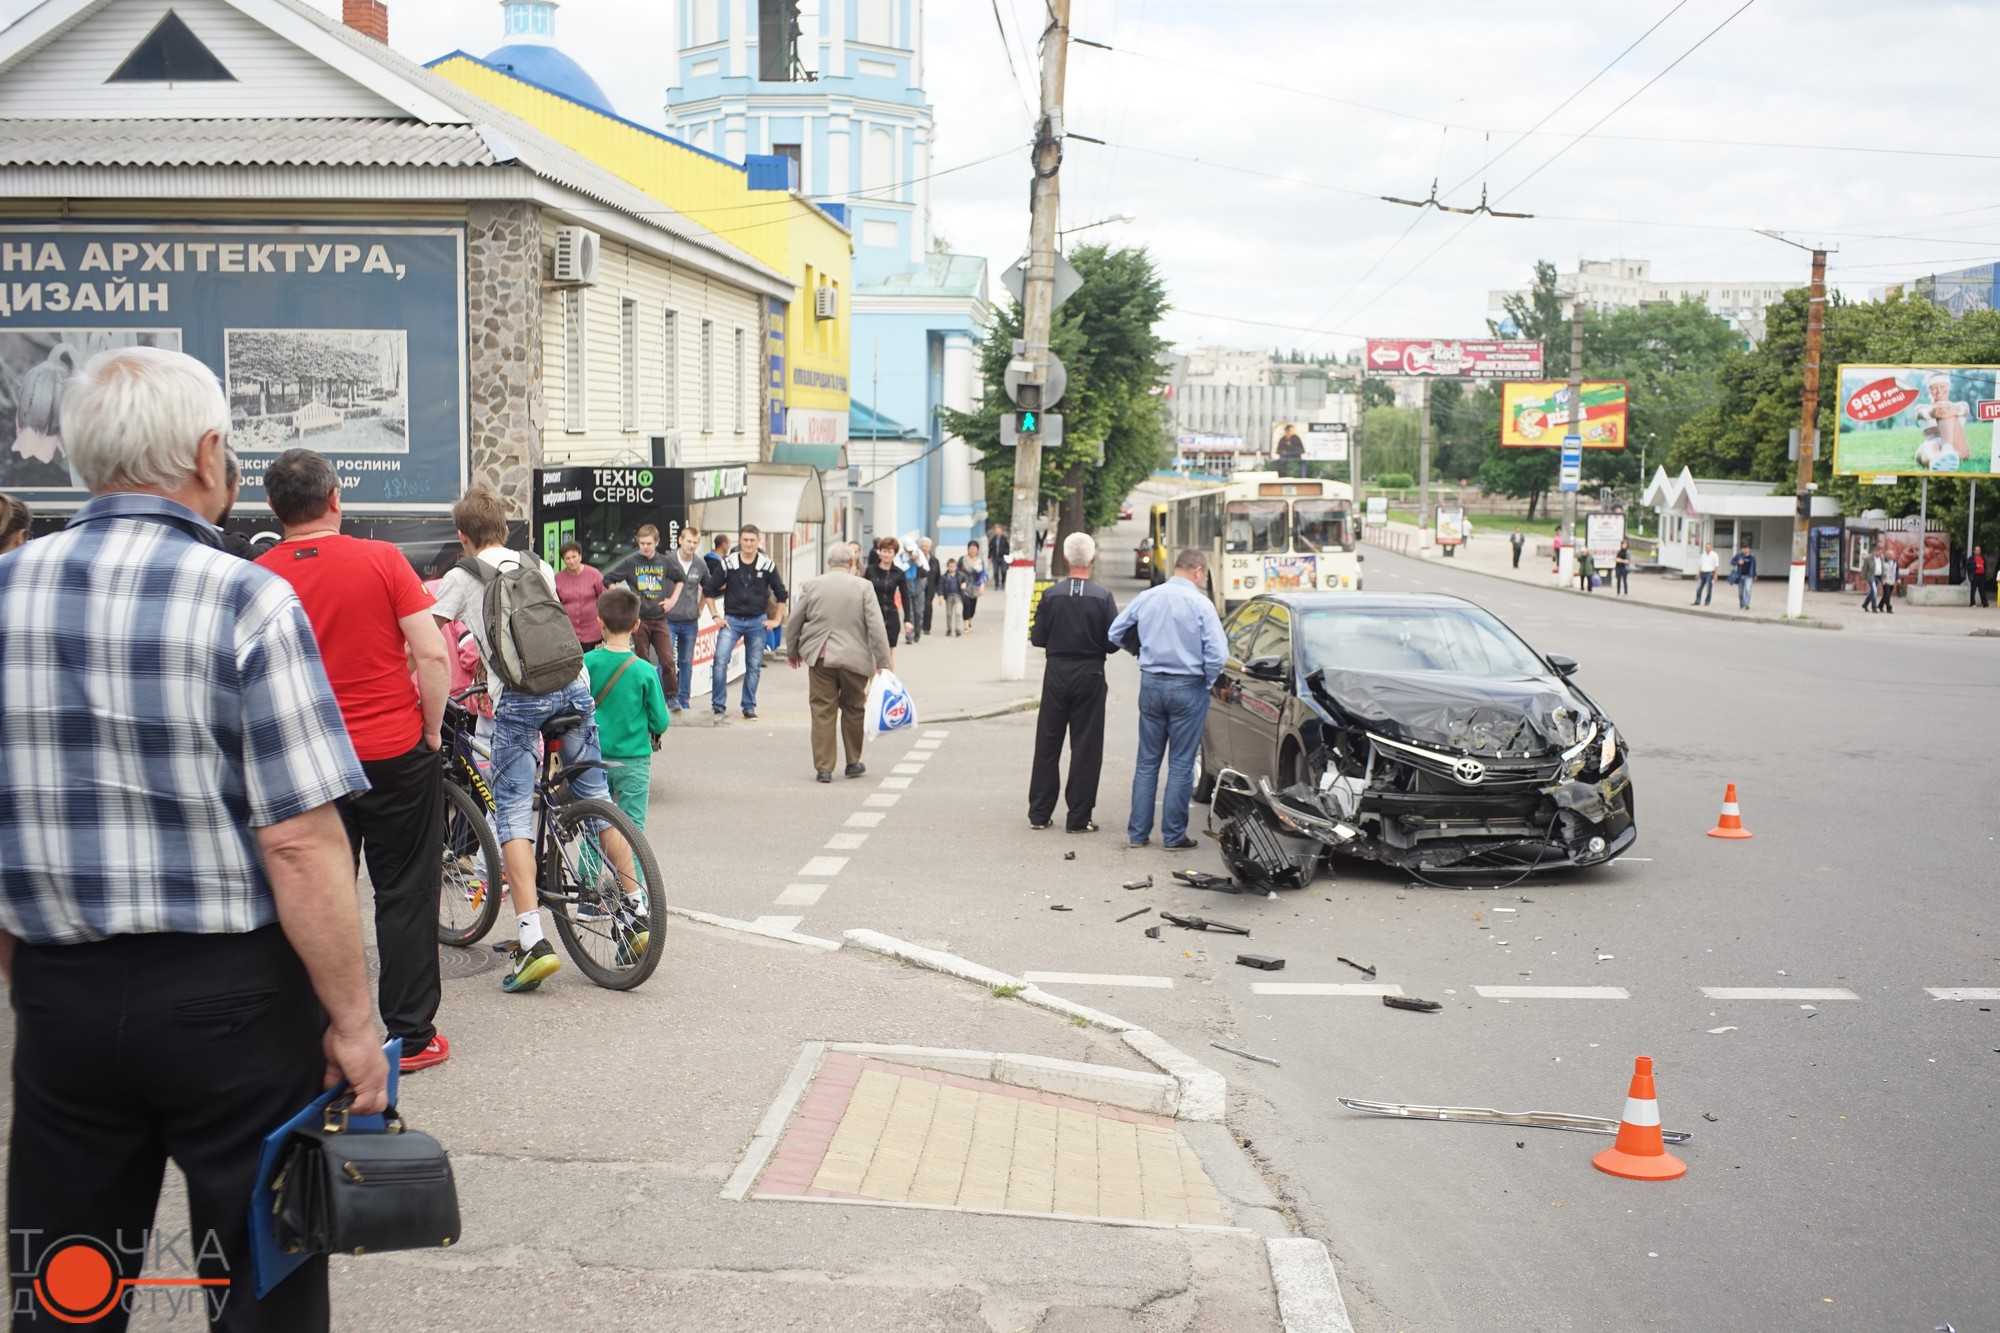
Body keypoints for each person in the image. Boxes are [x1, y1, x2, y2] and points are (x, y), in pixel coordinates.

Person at [0, 346, 386, 1331]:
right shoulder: (246, 597)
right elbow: (300, 840)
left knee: (66, 1291)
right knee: (264, 1285)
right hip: (234, 1008)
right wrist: (351, 1019)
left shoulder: (9, 595)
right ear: (210, 454)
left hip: (63, 997)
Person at [257, 447, 453, 1074]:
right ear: (337, 498)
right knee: (405, 892)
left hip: (308, 764)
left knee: (315, 893)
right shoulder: (383, 560)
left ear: (272, 509)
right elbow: (432, 656)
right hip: (394, 751)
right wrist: (429, 731)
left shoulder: (259, 576)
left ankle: (316, 1033)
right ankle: (411, 1036)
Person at [430, 486, 639, 993]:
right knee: (596, 797)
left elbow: (428, 638)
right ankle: (634, 916)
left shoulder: (461, 577)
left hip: (521, 703)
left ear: (463, 537)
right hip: (574, 689)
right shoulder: (537, 565)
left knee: (514, 816)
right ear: (504, 529)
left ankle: (532, 943)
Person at [1107, 548, 1227, 851]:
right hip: (1188, 687)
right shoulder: (1201, 604)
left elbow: (1115, 631)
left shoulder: (1149, 597)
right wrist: (1209, 681)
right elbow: (1217, 654)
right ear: (1198, 571)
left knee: (1147, 761)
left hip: (1151, 684)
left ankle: (1137, 834)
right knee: (1181, 763)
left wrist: (1141, 651)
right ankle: (1173, 836)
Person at [1030, 533, 1119, 834]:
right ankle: (1079, 817)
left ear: (1066, 559)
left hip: (1056, 672)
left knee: (1048, 742)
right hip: (1091, 673)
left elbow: (1038, 638)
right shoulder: (1103, 596)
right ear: (1092, 560)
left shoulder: (1051, 595)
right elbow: (1113, 643)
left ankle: (1039, 813)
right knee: (1086, 746)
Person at [785, 543, 894, 782]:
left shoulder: (812, 586)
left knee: (823, 711)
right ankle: (853, 762)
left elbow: (794, 621)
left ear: (828, 563)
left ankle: (824, 768)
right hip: (855, 660)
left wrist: (793, 652)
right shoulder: (864, 587)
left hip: (821, 657)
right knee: (854, 708)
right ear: (852, 563)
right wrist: (884, 663)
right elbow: (876, 627)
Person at [585, 585, 671, 829]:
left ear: (599, 622)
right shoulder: (644, 670)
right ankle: (631, 869)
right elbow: (660, 721)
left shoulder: (587, 663)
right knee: (632, 827)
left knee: (593, 825)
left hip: (593, 756)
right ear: (636, 625)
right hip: (634, 760)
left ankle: (586, 868)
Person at [702, 523, 788, 721]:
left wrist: (776, 620)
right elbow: (708, 590)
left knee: (754, 666)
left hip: (757, 622)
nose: (748, 544)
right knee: (720, 661)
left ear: (758, 542)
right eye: (745, 540)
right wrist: (716, 616)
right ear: (739, 541)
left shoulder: (767, 565)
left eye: (752, 540)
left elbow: (782, 593)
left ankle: (748, 706)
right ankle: (718, 706)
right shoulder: (728, 563)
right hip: (731, 621)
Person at [664, 524, 706, 711]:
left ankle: (684, 700)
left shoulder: (700, 564)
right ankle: (665, 698)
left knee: (686, 661)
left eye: (695, 542)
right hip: (669, 619)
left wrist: (700, 607)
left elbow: (709, 588)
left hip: (690, 620)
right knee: (666, 661)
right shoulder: (667, 560)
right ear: (680, 540)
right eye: (688, 541)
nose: (691, 545)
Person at [556, 540, 607, 651]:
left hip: (593, 632)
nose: (571, 561)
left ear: (580, 556)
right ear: (563, 560)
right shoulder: (558, 579)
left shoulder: (594, 574)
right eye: (567, 558)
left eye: (574, 556)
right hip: (569, 633)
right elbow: (555, 605)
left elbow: (605, 599)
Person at [866, 536, 906, 647]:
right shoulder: (870, 570)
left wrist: (907, 619)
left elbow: (905, 597)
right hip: (872, 615)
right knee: (872, 651)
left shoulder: (899, 573)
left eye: (889, 552)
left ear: (894, 554)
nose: (886, 555)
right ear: (879, 552)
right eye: (884, 551)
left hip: (891, 615)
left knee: (889, 651)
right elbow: (863, 592)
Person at [916, 536, 943, 637]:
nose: (924, 548)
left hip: (930, 587)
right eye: (923, 546)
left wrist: (939, 592)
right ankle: (917, 625)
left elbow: (938, 577)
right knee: (918, 606)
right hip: (918, 585)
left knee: (928, 605)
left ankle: (926, 627)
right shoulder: (917, 559)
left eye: (927, 546)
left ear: (930, 548)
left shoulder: (934, 560)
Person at [962, 539, 985, 632]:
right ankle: (966, 624)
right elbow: (959, 572)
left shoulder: (980, 561)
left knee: (972, 606)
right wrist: (961, 582)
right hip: (965, 586)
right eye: (971, 548)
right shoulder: (963, 560)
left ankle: (970, 619)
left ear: (977, 550)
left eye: (974, 548)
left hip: (975, 586)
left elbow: (983, 573)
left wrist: (982, 585)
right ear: (968, 549)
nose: (972, 550)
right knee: (966, 604)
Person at [1730, 540, 1757, 610]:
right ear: (1742, 549)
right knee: (1740, 593)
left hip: (1749, 576)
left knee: (1748, 590)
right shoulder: (1739, 555)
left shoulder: (1752, 557)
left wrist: (1755, 575)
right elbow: (1732, 562)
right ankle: (1742, 604)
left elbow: (1754, 567)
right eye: (1743, 548)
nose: (1745, 550)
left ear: (1749, 549)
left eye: (1746, 548)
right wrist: (1738, 562)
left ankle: (1747, 604)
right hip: (1740, 576)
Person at [941, 559, 965, 636]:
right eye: (950, 566)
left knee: (958, 612)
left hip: (958, 596)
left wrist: (964, 584)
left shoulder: (960, 575)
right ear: (947, 567)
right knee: (949, 614)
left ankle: (958, 629)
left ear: (956, 567)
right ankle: (949, 629)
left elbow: (965, 579)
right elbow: (940, 587)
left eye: (953, 566)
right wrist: (940, 596)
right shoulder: (944, 577)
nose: (952, 568)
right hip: (949, 596)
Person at [989, 522, 1011, 589]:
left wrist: (1006, 554)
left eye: (999, 530)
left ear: (1001, 531)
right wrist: (989, 556)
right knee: (995, 571)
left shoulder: (1004, 539)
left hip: (1003, 558)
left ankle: (1003, 583)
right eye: (996, 530)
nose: (998, 532)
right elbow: (991, 548)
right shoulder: (993, 539)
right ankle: (996, 584)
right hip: (995, 558)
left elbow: (1008, 548)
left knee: (1003, 571)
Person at [1860, 549, 1882, 613]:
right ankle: (1874, 607)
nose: (1879, 554)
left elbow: (1882, 568)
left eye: (1880, 552)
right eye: (1878, 552)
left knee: (1872, 592)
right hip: (1871, 576)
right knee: (1875, 591)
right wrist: (1863, 578)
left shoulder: (1881, 559)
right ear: (1874, 551)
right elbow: (1864, 569)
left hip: (1878, 577)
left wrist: (1883, 576)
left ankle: (1865, 604)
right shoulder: (1868, 558)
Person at [1969, 544, 1990, 609]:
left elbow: (1985, 566)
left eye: (1979, 550)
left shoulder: (1982, 557)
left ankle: (1985, 604)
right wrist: (1976, 566)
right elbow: (1969, 567)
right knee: (1973, 590)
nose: (1978, 551)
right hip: (1975, 576)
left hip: (1982, 576)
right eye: (1977, 550)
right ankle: (1972, 603)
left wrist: (1985, 573)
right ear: (1974, 551)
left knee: (1982, 590)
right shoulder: (1971, 558)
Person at [1880, 547, 1899, 614]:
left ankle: (1880, 605)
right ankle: (1889, 608)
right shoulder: (1883, 562)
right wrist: (1881, 578)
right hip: (1885, 580)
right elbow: (1881, 571)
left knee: (1886, 595)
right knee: (1887, 594)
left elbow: (1896, 571)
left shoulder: (1895, 562)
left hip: (1892, 580)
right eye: (1889, 555)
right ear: (1887, 556)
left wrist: (1897, 579)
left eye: (1892, 555)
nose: (1891, 556)